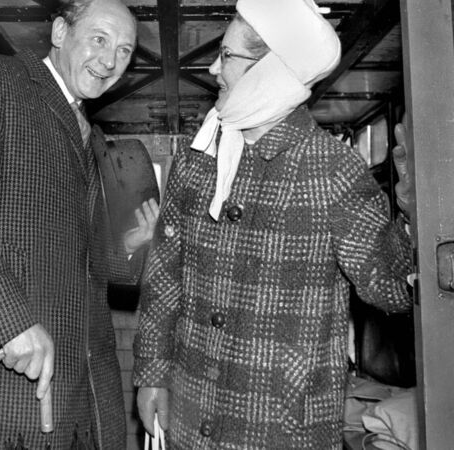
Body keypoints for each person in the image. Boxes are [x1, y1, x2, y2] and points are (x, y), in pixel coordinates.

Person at [133, 0, 414, 448]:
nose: (211, 69)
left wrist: (414, 213)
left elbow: (392, 289)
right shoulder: (197, 157)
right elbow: (164, 276)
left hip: (282, 425)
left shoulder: (331, 168)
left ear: (271, 69)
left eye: (226, 56)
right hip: (192, 415)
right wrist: (151, 374)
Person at [0, 0, 158, 448]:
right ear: (59, 32)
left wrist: (132, 245)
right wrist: (7, 323)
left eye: (125, 50)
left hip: (78, 406)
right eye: (99, 39)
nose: (110, 60)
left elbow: (92, 272)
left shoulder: (92, 140)